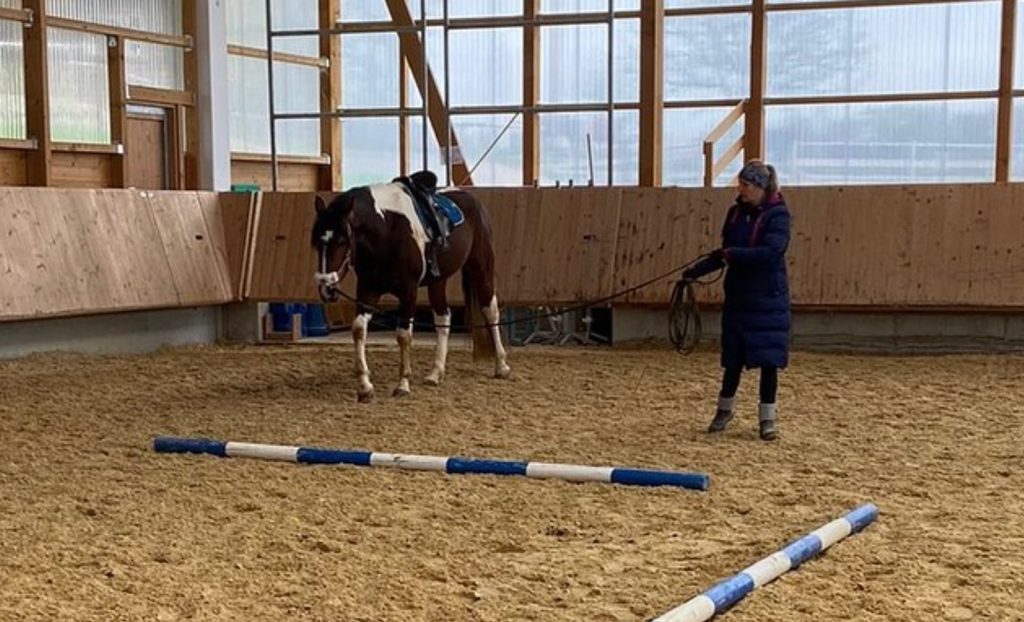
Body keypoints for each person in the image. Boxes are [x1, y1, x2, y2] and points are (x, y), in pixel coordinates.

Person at [681, 159, 792, 441]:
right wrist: (695, 272)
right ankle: (724, 409)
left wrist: (732, 255)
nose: (740, 189)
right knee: (732, 359)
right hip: (739, 297)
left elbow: (771, 253)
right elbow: (726, 251)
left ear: (759, 187)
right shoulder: (734, 214)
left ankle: (767, 418)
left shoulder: (778, 216)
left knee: (769, 361)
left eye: (745, 185)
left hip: (768, 297)